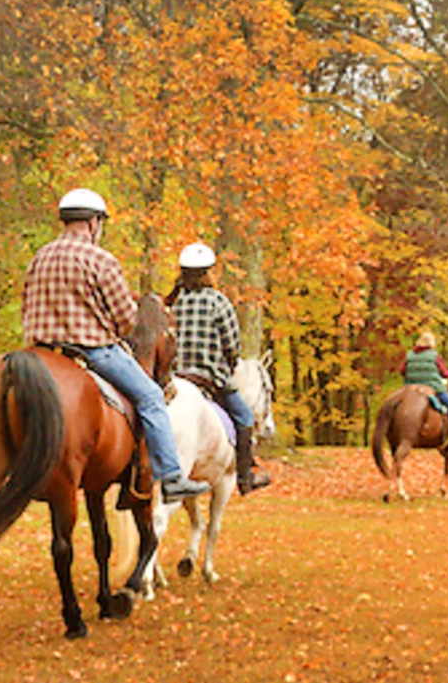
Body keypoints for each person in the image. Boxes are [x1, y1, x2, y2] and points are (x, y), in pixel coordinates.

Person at [22, 188, 210, 503]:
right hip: (92, 351)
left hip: (41, 351)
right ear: (94, 223)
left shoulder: (40, 256)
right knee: (151, 396)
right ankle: (171, 477)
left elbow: (27, 304)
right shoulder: (100, 259)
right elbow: (126, 319)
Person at [167, 242, 272, 495]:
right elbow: (232, 346)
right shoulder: (218, 302)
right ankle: (246, 478)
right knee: (245, 418)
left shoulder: (173, 303)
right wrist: (230, 363)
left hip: (176, 377)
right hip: (209, 379)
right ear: (208, 272)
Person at [399, 330, 448, 442]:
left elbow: (401, 370)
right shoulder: (434, 356)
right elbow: (445, 374)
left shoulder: (410, 355)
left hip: (412, 387)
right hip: (431, 387)